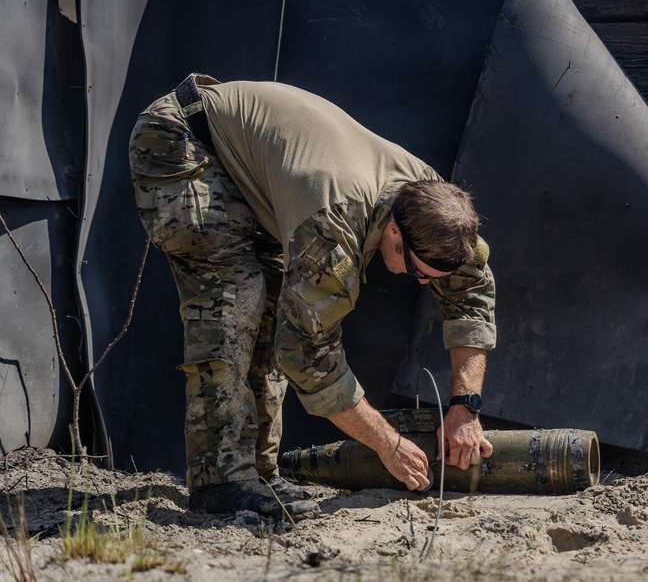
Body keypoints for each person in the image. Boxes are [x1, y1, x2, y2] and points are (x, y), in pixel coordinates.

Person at [128, 73, 496, 518]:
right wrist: (387, 442)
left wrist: (465, 406)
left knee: (274, 308)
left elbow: (470, 295)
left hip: (249, 170)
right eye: (418, 272)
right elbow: (306, 354)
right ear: (395, 232)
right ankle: (220, 481)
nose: (421, 283)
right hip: (183, 139)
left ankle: (258, 474)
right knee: (233, 301)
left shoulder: (437, 205)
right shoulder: (333, 226)